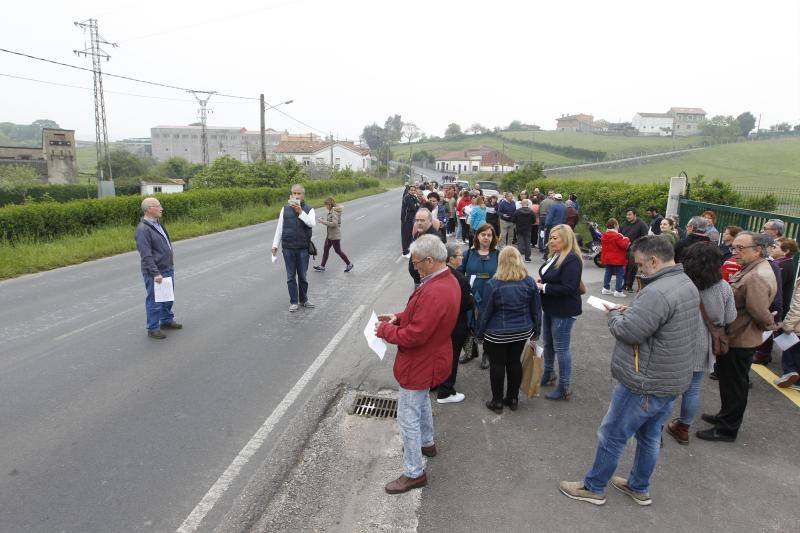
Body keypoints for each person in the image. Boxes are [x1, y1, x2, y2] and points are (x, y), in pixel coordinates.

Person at [559, 236, 700, 507]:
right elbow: (658, 323)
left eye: (640, 265)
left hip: (643, 382)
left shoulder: (657, 291)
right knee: (649, 436)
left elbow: (629, 332)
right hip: (669, 380)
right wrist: (633, 310)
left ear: (654, 261)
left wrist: (613, 314)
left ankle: (594, 487)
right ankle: (639, 486)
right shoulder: (684, 283)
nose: (639, 270)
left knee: (612, 435)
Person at [376, 235, 460, 494]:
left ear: (430, 260)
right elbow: (421, 316)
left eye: (416, 262)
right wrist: (397, 317)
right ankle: (426, 443)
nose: (415, 267)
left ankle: (414, 472)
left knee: (407, 416)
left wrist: (384, 331)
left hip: (420, 361)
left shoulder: (434, 290)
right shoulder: (446, 280)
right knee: (422, 400)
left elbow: (415, 335)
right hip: (432, 357)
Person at [697, 232, 777, 442]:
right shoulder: (751, 269)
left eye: (741, 248)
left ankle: (727, 429)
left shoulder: (756, 275)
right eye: (734, 248)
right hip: (735, 336)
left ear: (758, 249)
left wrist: (769, 324)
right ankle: (725, 416)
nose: (735, 252)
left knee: (735, 385)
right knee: (729, 382)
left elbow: (759, 311)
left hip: (741, 338)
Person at [666, 243, 736, 445]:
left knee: (668, 390)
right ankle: (683, 428)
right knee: (693, 388)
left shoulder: (677, 282)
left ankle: (656, 428)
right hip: (703, 345)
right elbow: (730, 316)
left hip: (675, 341)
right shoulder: (723, 287)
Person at [476, 247, 542, 414]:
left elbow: (485, 312)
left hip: (497, 333)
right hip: (522, 331)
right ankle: (513, 399)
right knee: (514, 362)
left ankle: (497, 402)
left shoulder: (493, 284)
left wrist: (479, 333)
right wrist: (537, 330)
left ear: (500, 262)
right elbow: (536, 309)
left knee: (497, 364)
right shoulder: (528, 282)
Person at [537, 224, 583, 400]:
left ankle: (564, 387)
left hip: (564, 310)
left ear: (566, 238)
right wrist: (543, 280)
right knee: (548, 343)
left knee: (561, 348)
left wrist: (543, 286)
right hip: (550, 306)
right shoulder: (555, 255)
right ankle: (549, 373)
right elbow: (553, 277)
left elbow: (569, 287)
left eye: (555, 238)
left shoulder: (571, 258)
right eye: (550, 237)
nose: (551, 241)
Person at [135, 197, 182, 339]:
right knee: (155, 301)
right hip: (155, 271)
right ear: (150, 209)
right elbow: (146, 255)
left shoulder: (157, 224)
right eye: (158, 206)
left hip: (166, 267)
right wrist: (155, 273)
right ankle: (153, 328)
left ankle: (166, 321)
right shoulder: (143, 229)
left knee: (167, 298)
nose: (161, 208)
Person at [457, 223, 500, 368]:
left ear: (493, 237)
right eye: (483, 234)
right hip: (471, 296)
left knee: (488, 325)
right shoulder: (469, 253)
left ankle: (487, 354)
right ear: (477, 236)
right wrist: (463, 289)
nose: (486, 237)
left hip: (491, 297)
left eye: (489, 235)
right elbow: (459, 272)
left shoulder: (498, 254)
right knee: (468, 325)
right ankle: (470, 352)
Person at [437, 242, 473, 404]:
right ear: (451, 259)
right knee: (451, 358)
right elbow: (465, 304)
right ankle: (446, 391)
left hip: (440, 323)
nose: (462, 257)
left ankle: (436, 383)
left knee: (439, 355)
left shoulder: (439, 273)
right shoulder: (460, 279)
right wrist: (472, 299)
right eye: (459, 255)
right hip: (456, 324)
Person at [272, 184, 316, 312]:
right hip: (288, 248)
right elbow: (279, 228)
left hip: (303, 248)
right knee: (291, 276)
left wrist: (300, 212)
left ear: (303, 195)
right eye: (294, 193)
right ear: (291, 195)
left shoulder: (309, 209)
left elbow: (311, 223)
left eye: (299, 194)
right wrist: (275, 245)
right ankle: (294, 302)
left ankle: (304, 299)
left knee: (302, 275)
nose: (296, 196)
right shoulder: (285, 209)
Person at [314, 197, 353, 273]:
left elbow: (334, 224)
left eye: (326, 205)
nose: (325, 207)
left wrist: (323, 222)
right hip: (330, 235)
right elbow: (331, 221)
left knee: (338, 251)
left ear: (329, 204)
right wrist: (324, 220)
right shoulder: (332, 211)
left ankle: (349, 264)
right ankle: (322, 266)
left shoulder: (334, 211)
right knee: (326, 249)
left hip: (334, 236)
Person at [408, 208, 446, 286]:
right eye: (417, 220)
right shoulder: (418, 233)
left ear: (430, 221)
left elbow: (436, 264)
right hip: (419, 279)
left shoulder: (434, 238)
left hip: (426, 281)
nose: (419, 223)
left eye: (422, 220)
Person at [776, 277, 800, 389]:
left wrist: (788, 324)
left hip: (798, 326)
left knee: (791, 350)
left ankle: (791, 375)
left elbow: (798, 307)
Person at [620, 208, 649, 292]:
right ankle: (624, 284)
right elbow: (620, 234)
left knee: (632, 267)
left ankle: (629, 285)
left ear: (635, 215)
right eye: (627, 215)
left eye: (630, 214)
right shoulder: (625, 224)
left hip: (635, 249)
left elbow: (645, 237)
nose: (627, 216)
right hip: (624, 248)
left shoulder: (641, 224)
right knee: (624, 267)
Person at [600, 218, 630, 297]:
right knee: (619, 274)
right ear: (615, 225)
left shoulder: (604, 235)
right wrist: (627, 239)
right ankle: (618, 291)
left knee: (608, 273)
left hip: (607, 258)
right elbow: (624, 245)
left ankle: (606, 288)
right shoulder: (618, 236)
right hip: (617, 259)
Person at [770, 238, 798, 319]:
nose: (772, 247)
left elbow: (774, 289)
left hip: (775, 311)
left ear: (786, 251)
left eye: (776, 246)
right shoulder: (782, 263)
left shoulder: (782, 266)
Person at [543, 193, 567, 259]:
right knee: (559, 240)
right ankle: (558, 254)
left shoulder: (553, 206)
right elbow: (565, 218)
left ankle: (547, 255)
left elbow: (549, 217)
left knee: (550, 240)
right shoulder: (564, 206)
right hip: (561, 226)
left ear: (555, 199)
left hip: (553, 226)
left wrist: (546, 226)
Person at [401, 185, 421, 257]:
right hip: (406, 218)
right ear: (408, 190)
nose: (412, 191)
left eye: (414, 190)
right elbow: (413, 207)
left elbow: (419, 204)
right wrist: (416, 205)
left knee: (411, 234)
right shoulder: (407, 197)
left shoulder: (414, 197)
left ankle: (410, 250)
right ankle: (405, 252)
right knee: (406, 235)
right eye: (411, 190)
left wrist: (416, 204)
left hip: (412, 218)